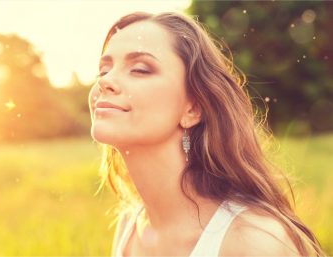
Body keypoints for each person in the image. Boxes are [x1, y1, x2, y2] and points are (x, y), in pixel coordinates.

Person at [88, 11, 324, 257]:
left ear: (193, 108)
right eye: (103, 70)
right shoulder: (129, 227)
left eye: (139, 69)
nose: (106, 81)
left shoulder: (254, 242)